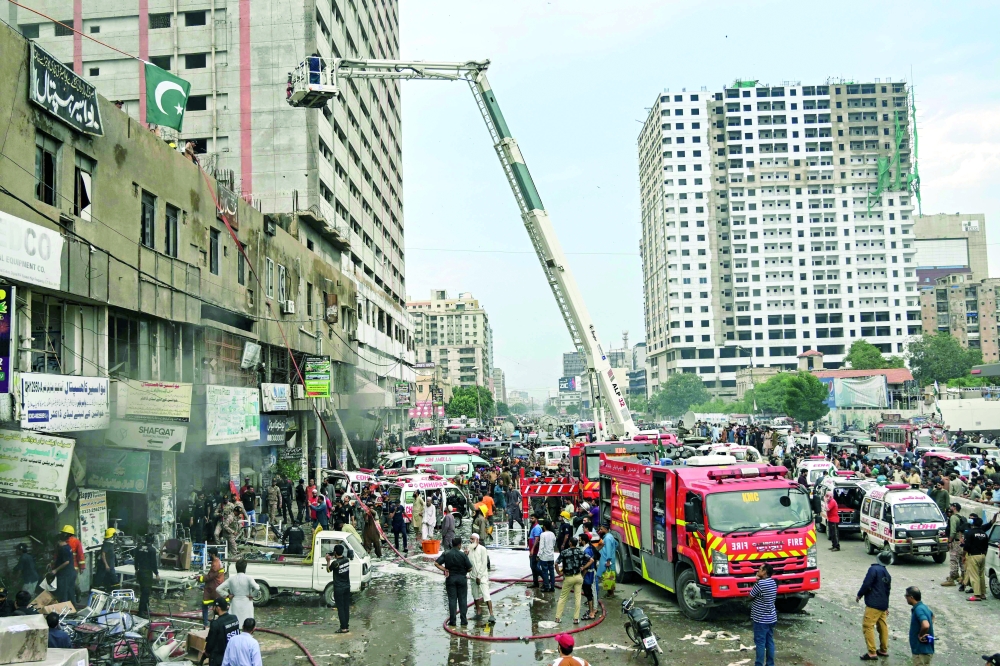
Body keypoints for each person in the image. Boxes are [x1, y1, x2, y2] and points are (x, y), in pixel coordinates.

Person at [856, 550, 892, 660]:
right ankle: (883, 649)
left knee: (868, 626)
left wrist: (859, 594)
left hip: (873, 604)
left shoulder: (873, 569)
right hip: (882, 604)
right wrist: (886, 606)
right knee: (882, 626)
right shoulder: (887, 574)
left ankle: (872, 652)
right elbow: (887, 591)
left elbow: (866, 584)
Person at [434, 537, 473, 627]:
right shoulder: (463, 555)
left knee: (452, 600)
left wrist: (445, 569)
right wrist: (464, 571)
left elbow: (436, 563)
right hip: (462, 579)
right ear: (459, 545)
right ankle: (463, 620)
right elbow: (470, 568)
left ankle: (452, 621)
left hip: (450, 579)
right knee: (462, 600)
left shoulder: (446, 553)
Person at [217, 560, 260, 628]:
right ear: (245, 568)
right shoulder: (249, 578)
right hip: (246, 602)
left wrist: (227, 595)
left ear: (236, 568)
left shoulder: (231, 579)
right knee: (247, 622)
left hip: (235, 602)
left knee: (235, 622)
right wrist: (252, 595)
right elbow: (257, 588)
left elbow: (218, 589)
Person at [750, 563, 778, 666]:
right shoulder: (773, 582)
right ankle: (770, 664)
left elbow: (750, 596)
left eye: (760, 569)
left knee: (760, 643)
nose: (758, 570)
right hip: (771, 618)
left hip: (760, 619)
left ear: (765, 572)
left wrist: (756, 582)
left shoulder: (760, 584)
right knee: (769, 641)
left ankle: (759, 664)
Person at [554, 534, 586, 625]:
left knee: (563, 597)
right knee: (578, 597)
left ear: (570, 543)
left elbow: (556, 563)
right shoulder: (581, 552)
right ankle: (576, 619)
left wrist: (559, 573)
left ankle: (558, 618)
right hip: (578, 577)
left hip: (568, 577)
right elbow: (591, 559)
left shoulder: (564, 552)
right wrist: (583, 568)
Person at [200, 598, 241, 666]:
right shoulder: (234, 618)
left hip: (219, 658)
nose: (213, 609)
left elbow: (211, 641)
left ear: (218, 608)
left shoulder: (216, 623)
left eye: (214, 607)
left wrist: (207, 652)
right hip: (233, 654)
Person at [466, 533, 494, 624]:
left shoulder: (482, 549)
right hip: (473, 576)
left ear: (477, 540)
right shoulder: (469, 549)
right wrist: (465, 554)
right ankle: (478, 613)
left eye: (472, 539)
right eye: (470, 539)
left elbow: (484, 563)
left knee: (486, 595)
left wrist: (479, 576)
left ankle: (491, 614)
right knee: (475, 595)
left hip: (482, 576)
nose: (471, 541)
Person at [963, 513, 991, 601]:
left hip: (973, 556)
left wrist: (963, 556)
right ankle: (983, 594)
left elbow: (966, 546)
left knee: (974, 575)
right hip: (982, 555)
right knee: (981, 575)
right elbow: (986, 546)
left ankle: (976, 595)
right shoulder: (984, 534)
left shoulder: (970, 533)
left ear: (973, 524)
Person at [325, 544, 352, 633]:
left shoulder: (335, 563)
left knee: (340, 608)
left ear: (335, 552)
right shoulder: (346, 560)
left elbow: (328, 570)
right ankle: (346, 626)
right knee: (345, 607)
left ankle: (343, 628)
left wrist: (328, 560)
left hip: (339, 588)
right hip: (347, 587)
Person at [905, 586, 934, 665]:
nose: (905, 598)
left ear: (911, 597)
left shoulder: (918, 609)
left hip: (920, 652)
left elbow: (926, 625)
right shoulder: (924, 607)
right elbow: (932, 616)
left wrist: (921, 635)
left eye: (906, 596)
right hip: (928, 650)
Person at [133, 534, 160, 618]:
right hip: (147, 573)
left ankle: (146, 609)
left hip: (140, 572)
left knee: (144, 591)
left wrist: (136, 569)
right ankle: (141, 611)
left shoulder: (139, 548)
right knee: (145, 593)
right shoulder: (152, 550)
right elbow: (153, 563)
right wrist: (156, 573)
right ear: (153, 541)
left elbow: (135, 559)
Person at [941, 503, 967, 587]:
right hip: (962, 542)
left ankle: (952, 579)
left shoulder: (953, 517)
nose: (950, 507)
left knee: (953, 560)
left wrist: (949, 542)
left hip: (955, 542)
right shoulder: (962, 517)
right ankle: (964, 578)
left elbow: (952, 532)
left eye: (951, 506)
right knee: (961, 560)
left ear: (954, 508)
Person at [199, 548, 226, 627]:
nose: (209, 555)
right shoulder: (218, 562)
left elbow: (210, 576)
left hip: (213, 588)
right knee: (216, 606)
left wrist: (200, 578)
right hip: (217, 586)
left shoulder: (215, 564)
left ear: (213, 554)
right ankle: (214, 622)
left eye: (209, 554)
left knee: (205, 605)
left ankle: (206, 624)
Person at [50, 533, 77, 606]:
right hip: (71, 573)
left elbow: (66, 562)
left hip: (65, 575)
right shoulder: (68, 547)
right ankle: (73, 608)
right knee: (70, 592)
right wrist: (53, 563)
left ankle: (64, 611)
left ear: (59, 541)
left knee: (63, 593)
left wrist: (55, 570)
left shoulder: (63, 549)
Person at [596, 526, 617, 600]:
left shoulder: (607, 538)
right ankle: (610, 593)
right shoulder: (610, 536)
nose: (600, 530)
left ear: (606, 529)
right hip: (609, 559)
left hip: (606, 560)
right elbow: (616, 544)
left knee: (607, 576)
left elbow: (608, 549)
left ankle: (610, 593)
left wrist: (608, 560)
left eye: (601, 529)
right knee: (610, 576)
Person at [580, 536, 598, 620]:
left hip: (588, 574)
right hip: (591, 573)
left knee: (589, 593)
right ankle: (592, 610)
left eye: (580, 540)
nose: (579, 541)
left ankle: (591, 612)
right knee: (591, 592)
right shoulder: (590, 548)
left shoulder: (586, 550)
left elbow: (587, 564)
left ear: (583, 541)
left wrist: (583, 574)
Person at [537, 521, 557, 592]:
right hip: (551, 556)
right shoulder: (552, 534)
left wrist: (538, 555)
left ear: (544, 527)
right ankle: (552, 587)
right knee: (551, 572)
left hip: (544, 557)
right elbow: (554, 543)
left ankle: (546, 586)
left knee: (545, 572)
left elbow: (541, 546)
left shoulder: (543, 534)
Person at [528, 515, 543, 588]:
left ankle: (545, 577)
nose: (531, 519)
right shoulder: (533, 527)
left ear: (536, 519)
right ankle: (535, 582)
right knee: (533, 567)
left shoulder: (537, 528)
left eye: (532, 518)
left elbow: (537, 539)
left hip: (535, 550)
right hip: (532, 550)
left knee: (533, 566)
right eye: (530, 518)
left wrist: (532, 549)